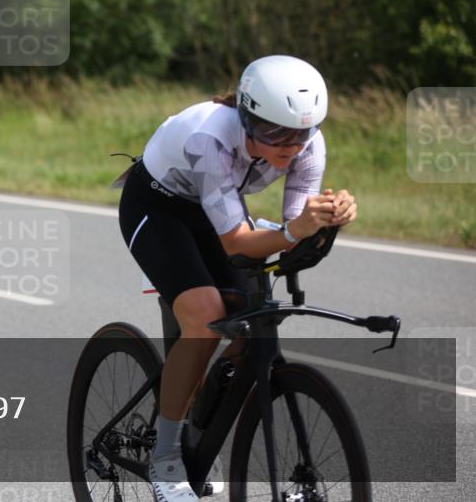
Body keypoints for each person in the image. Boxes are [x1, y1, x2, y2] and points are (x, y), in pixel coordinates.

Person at [116, 55, 357, 501]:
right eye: (273, 132)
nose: (289, 146)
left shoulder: (310, 147)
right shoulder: (211, 137)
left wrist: (326, 221)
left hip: (215, 208)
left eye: (301, 133)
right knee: (206, 316)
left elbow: (291, 235)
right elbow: (238, 243)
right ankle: (166, 459)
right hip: (158, 206)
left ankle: (196, 435)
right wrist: (294, 229)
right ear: (246, 117)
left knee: (250, 325)